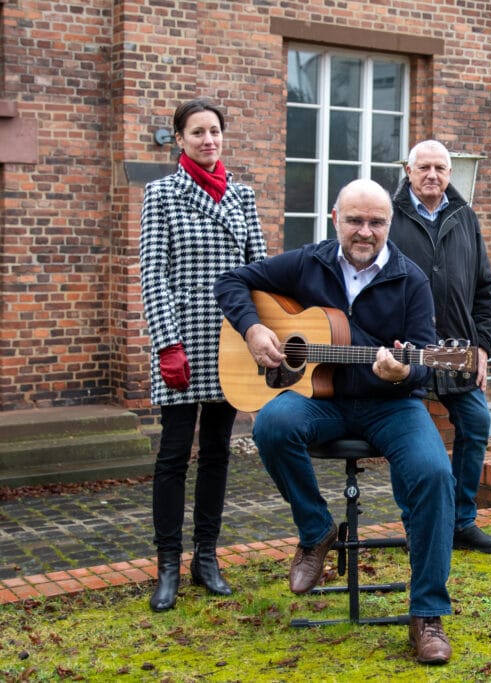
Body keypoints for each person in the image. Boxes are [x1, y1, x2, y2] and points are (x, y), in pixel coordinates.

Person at [213, 178, 455, 665]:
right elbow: (230, 281)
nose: (365, 232)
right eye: (355, 220)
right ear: (335, 219)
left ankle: (427, 613)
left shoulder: (411, 280)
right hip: (319, 400)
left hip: (390, 405)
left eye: (377, 222)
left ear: (390, 224)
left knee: (434, 474)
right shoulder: (308, 262)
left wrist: (406, 370)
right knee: (271, 426)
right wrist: (254, 327)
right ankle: (316, 530)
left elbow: (427, 361)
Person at [140, 98, 268, 612]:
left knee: (217, 452)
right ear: (180, 139)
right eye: (197, 132)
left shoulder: (242, 195)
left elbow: (259, 270)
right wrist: (167, 343)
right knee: (174, 455)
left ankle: (206, 558)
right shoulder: (162, 193)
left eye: (214, 131)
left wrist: (262, 331)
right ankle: (167, 564)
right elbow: (154, 273)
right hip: (182, 343)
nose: (208, 139)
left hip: (231, 343)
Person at [389, 140, 491, 554]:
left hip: (458, 348)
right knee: (405, 436)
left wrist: (483, 347)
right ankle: (416, 525)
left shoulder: (465, 217)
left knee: (475, 424)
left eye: (440, 167)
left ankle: (461, 521)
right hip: (406, 349)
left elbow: (484, 289)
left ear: (450, 173)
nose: (432, 175)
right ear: (409, 170)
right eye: (424, 167)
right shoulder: (389, 218)